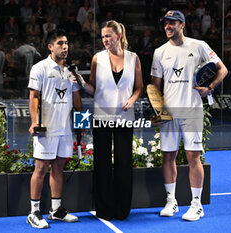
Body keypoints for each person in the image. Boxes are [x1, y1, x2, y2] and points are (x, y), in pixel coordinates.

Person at [151, 10, 228, 221]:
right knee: (168, 156)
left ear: (182, 25)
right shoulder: (159, 52)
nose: (167, 26)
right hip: (169, 113)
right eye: (165, 23)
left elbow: (223, 70)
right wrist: (159, 111)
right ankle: (171, 202)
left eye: (172, 23)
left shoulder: (199, 46)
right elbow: (155, 86)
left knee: (194, 156)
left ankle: (197, 205)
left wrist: (210, 88)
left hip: (192, 111)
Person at [75, 20, 143, 220]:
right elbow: (92, 88)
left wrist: (132, 99)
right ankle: (104, 210)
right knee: (102, 163)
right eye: (103, 37)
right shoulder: (97, 58)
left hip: (124, 117)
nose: (105, 40)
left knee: (124, 163)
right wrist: (81, 82)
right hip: (101, 116)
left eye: (108, 36)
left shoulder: (134, 58)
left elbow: (139, 87)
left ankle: (122, 210)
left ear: (119, 35)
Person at [26, 29, 81, 229]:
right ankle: (33, 212)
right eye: (60, 43)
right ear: (50, 47)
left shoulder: (70, 72)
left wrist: (76, 83)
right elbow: (33, 96)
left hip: (65, 129)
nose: (65, 47)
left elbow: (78, 103)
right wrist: (34, 122)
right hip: (46, 128)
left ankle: (56, 210)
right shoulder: (39, 68)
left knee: (58, 167)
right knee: (41, 169)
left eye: (66, 43)